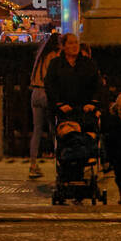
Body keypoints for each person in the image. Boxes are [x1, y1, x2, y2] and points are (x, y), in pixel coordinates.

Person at [44, 33, 101, 129]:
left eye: (76, 43)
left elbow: (97, 83)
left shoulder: (88, 63)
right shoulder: (56, 64)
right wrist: (59, 104)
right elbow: (50, 85)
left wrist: (92, 103)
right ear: (63, 46)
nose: (74, 46)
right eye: (70, 43)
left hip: (85, 108)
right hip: (64, 109)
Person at [27, 32, 61, 179]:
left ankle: (33, 164)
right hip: (46, 92)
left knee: (37, 130)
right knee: (56, 128)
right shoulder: (54, 56)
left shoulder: (40, 57)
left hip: (35, 92)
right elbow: (54, 78)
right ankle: (60, 162)